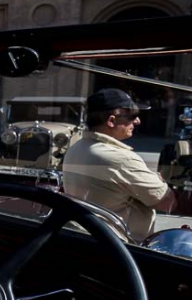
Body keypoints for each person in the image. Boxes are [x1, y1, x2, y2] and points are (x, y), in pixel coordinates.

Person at [63, 88, 175, 241]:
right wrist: (159, 182)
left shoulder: (76, 147)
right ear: (111, 121)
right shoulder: (121, 159)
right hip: (121, 248)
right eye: (132, 116)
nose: (137, 121)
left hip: (88, 237)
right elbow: (166, 202)